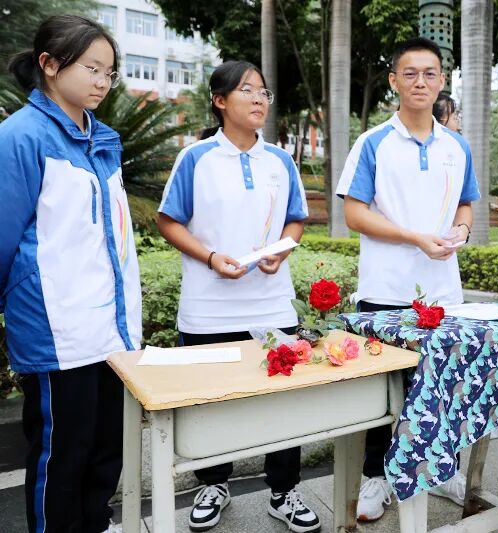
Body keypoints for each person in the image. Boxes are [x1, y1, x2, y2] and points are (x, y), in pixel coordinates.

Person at [157, 61, 320, 533]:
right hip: (207, 309)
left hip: (271, 304)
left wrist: (282, 251)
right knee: (210, 403)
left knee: (282, 401)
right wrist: (211, 258)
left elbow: (295, 219)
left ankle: (284, 490)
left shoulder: (280, 161)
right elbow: (168, 220)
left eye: (263, 92)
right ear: (220, 100)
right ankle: (213, 484)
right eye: (247, 90)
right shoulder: (196, 158)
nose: (259, 99)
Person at [0, 15, 141, 533]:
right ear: (50, 65)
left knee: (106, 447)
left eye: (110, 72)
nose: (103, 82)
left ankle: (96, 524)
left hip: (111, 329)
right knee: (62, 455)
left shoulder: (102, 139)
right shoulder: (20, 137)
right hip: (57, 330)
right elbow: (3, 236)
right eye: (92, 69)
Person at [335, 37, 480, 522]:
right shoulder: (373, 142)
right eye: (410, 73)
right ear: (394, 81)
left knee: (442, 387)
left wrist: (461, 230)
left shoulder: (456, 146)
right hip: (386, 291)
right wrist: (413, 237)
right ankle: (376, 476)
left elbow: (466, 204)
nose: (421, 82)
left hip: (443, 293)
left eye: (430, 73)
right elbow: (355, 214)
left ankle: (440, 471)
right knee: (383, 393)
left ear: (442, 81)